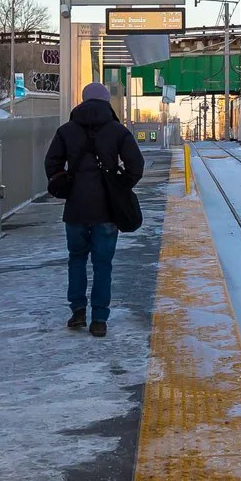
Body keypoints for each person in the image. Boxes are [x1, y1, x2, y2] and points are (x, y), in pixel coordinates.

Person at [46, 81, 145, 336]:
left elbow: (52, 163)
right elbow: (136, 165)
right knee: (103, 264)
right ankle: (99, 319)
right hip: (107, 210)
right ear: (106, 102)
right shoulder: (117, 131)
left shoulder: (66, 130)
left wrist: (66, 185)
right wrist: (121, 185)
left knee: (76, 259)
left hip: (75, 209)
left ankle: (78, 312)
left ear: (83, 100)